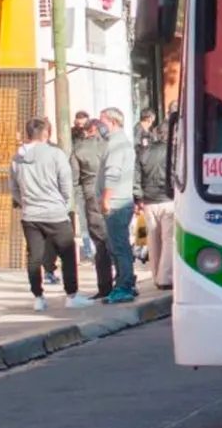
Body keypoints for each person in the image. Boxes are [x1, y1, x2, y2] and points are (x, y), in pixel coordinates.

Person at [9, 117, 94, 311]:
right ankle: (71, 294)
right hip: (54, 212)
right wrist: (62, 202)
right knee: (67, 253)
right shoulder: (55, 154)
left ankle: (38, 297)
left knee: (34, 257)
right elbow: (66, 183)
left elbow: (13, 188)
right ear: (46, 134)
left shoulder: (17, 158)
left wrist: (26, 202)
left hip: (30, 214)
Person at [97, 107, 138, 304]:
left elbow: (113, 173)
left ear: (112, 122)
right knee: (122, 245)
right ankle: (127, 280)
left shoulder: (115, 144)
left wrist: (105, 199)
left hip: (116, 202)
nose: (99, 126)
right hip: (124, 200)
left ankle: (124, 286)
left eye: (102, 122)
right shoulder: (124, 142)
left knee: (118, 246)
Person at [72, 118, 112, 299]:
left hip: (92, 197)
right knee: (117, 239)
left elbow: (73, 180)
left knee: (100, 243)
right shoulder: (109, 146)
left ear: (87, 130)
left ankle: (105, 286)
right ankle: (125, 281)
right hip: (113, 194)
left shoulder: (78, 150)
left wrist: (83, 195)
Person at [134, 121, 174, 290]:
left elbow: (136, 176)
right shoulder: (173, 153)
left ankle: (156, 274)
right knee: (169, 239)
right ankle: (165, 277)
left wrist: (138, 197)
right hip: (168, 200)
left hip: (148, 201)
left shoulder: (143, 152)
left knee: (153, 239)